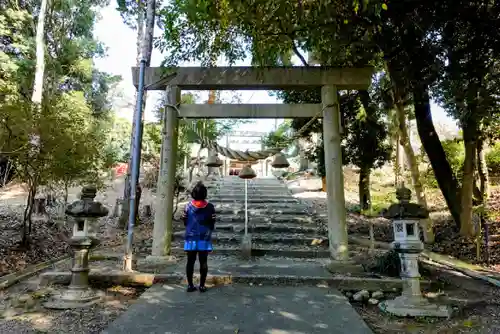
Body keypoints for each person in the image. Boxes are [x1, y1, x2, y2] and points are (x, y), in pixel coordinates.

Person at [181, 181, 216, 292]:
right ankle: (202, 285)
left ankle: (190, 285)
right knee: (203, 262)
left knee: (190, 262)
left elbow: (185, 222)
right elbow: (212, 223)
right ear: (205, 194)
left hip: (191, 237)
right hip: (204, 237)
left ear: (193, 194)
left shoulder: (187, 206)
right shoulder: (210, 207)